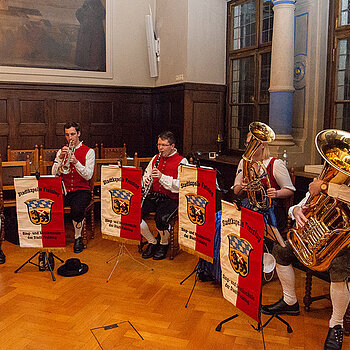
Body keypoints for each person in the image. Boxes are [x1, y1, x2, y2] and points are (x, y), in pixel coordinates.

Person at [261, 178, 350, 350]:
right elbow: (304, 202)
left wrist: (325, 187)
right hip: (321, 234)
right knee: (281, 251)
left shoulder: (326, 184)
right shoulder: (334, 175)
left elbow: (327, 190)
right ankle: (290, 301)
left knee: (340, 266)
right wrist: (296, 211)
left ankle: (336, 325)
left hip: (345, 241)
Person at [233, 131, 295, 233]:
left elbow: (290, 190)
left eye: (252, 144)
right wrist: (242, 187)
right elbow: (236, 191)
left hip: (270, 209)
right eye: (247, 143)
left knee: (250, 225)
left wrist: (276, 193)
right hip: (248, 205)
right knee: (223, 219)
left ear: (262, 145)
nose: (248, 147)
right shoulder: (243, 162)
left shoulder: (275, 164)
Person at [140, 131, 188, 260]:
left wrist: (162, 177)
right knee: (134, 213)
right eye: (158, 144)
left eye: (163, 145)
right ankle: (152, 241)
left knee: (161, 219)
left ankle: (163, 243)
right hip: (155, 195)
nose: (160, 148)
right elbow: (147, 174)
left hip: (171, 199)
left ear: (172, 146)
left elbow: (183, 185)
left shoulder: (182, 161)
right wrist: (145, 181)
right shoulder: (155, 158)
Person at [52, 122, 95, 254]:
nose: (70, 138)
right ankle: (55, 237)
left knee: (77, 209)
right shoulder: (61, 151)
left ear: (78, 134)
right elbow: (54, 174)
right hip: (65, 189)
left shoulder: (89, 152)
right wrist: (60, 158)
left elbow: (88, 176)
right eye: (67, 135)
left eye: (72, 134)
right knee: (51, 206)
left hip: (82, 190)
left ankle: (78, 238)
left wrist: (76, 162)